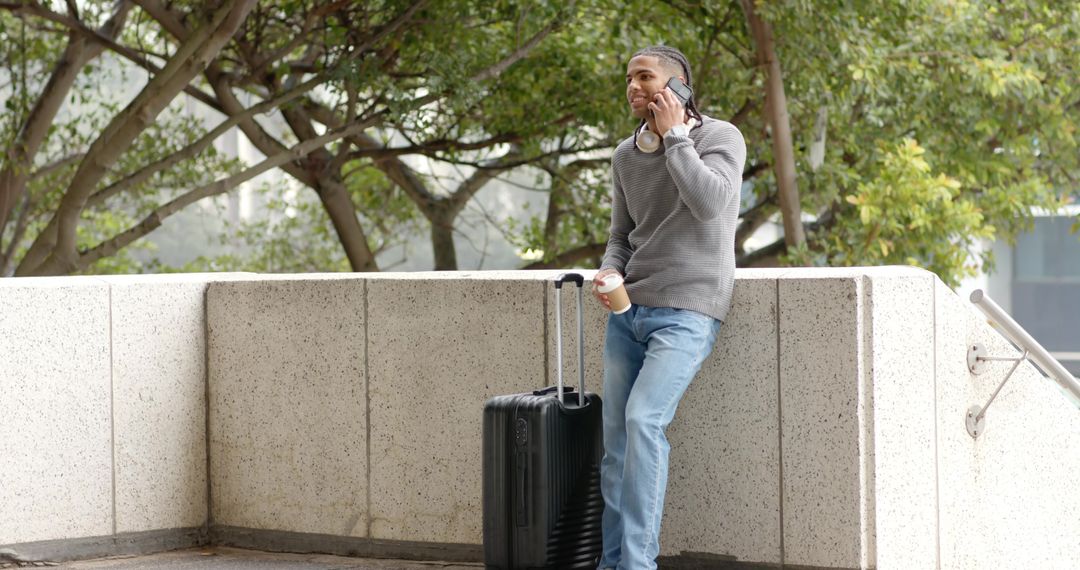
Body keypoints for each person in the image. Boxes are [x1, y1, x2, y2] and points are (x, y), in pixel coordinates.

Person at [591, 45, 746, 570]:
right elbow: (621, 236)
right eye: (628, 78)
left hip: (689, 309)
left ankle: (637, 565)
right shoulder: (624, 154)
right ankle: (612, 563)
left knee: (643, 420)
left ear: (677, 85)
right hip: (627, 309)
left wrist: (676, 136)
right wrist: (610, 269)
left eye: (645, 76)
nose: (634, 86)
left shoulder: (719, 138)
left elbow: (708, 204)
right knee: (614, 446)